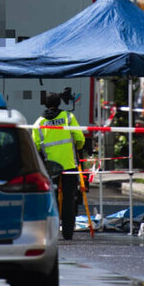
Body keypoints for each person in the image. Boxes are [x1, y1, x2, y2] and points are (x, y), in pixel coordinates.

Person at [32, 93, 86, 239]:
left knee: (52, 200)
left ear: (45, 104)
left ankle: (52, 232)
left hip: (50, 167)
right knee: (69, 199)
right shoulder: (68, 118)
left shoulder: (39, 123)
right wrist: (78, 148)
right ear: (59, 103)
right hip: (69, 164)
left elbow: (35, 147)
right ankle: (68, 233)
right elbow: (80, 138)